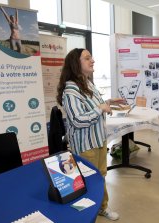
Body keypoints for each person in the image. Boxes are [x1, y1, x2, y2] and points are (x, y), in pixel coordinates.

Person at [56, 48, 123, 221]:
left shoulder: (87, 83)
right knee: (88, 180)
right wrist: (100, 108)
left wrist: (108, 102)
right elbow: (78, 120)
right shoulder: (71, 90)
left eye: (91, 57)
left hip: (98, 140)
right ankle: (87, 212)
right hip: (86, 145)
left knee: (99, 177)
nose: (92, 60)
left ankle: (101, 207)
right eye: (87, 58)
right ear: (75, 64)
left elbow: (94, 107)